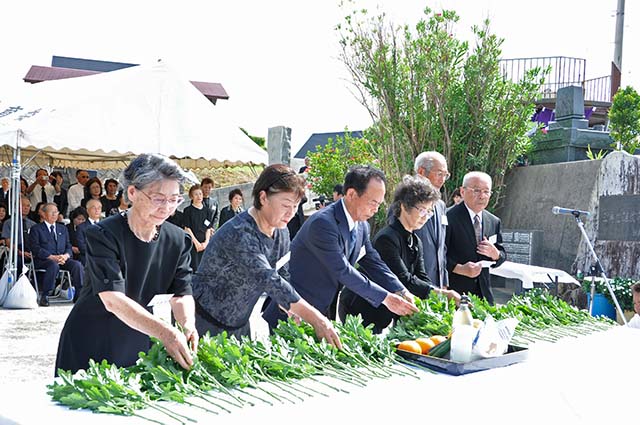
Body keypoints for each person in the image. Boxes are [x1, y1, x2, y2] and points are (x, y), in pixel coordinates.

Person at [55, 153, 198, 375]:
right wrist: (166, 333)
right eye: (159, 199)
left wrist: (187, 324)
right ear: (132, 192)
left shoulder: (178, 239)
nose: (167, 207)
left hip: (141, 334)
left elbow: (182, 292)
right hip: (94, 336)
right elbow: (112, 299)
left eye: (175, 199)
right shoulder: (103, 234)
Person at [191, 164, 341, 348]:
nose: (291, 213)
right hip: (202, 321)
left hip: (239, 324)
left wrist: (287, 305)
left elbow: (283, 274)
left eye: (295, 206)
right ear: (263, 197)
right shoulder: (240, 233)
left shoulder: (282, 231)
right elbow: (269, 279)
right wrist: (318, 320)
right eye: (285, 205)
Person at [263, 165, 419, 328]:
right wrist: (386, 298)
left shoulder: (361, 225)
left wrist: (400, 290)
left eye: (379, 204)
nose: (376, 209)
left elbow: (373, 262)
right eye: (373, 202)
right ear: (351, 194)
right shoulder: (323, 223)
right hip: (291, 309)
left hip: (322, 310)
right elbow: (343, 270)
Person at [339, 176, 461, 333]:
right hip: (360, 308)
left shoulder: (415, 240)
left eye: (429, 212)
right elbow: (404, 280)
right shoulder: (387, 238)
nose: (426, 217)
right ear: (404, 206)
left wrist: (435, 299)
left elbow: (422, 277)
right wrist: (444, 294)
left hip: (387, 310)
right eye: (422, 210)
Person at [445, 171, 506, 305]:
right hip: (455, 292)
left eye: (486, 192)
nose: (482, 196)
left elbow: (502, 254)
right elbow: (437, 256)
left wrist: (496, 254)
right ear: (462, 191)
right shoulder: (447, 218)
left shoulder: (493, 221)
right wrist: (459, 268)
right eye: (477, 190)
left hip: (484, 293)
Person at [408, 151, 452, 291]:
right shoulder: (405, 203)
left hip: (437, 283)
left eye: (445, 174)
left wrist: (444, 280)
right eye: (439, 173)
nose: (443, 179)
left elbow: (442, 246)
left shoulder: (440, 205)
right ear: (421, 172)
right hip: (413, 282)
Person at [28, 203, 84, 306]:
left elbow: (68, 245)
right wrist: (51, 257)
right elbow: (35, 248)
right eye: (52, 212)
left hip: (61, 258)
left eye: (56, 212)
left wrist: (66, 256)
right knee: (52, 265)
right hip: (43, 260)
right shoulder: (36, 229)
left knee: (77, 265)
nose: (55, 214)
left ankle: (79, 294)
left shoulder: (62, 228)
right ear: (44, 214)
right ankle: (45, 295)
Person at [182, 184, 215, 271]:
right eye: (196, 194)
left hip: (205, 244)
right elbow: (187, 228)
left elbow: (208, 228)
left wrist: (206, 242)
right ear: (191, 196)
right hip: (193, 244)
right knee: (194, 268)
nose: (198, 196)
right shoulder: (187, 211)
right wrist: (196, 243)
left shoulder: (207, 211)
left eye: (200, 194)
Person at [1, 197, 36, 274]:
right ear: (16, 206)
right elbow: (8, 242)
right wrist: (20, 252)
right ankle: (18, 283)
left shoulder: (33, 224)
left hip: (30, 250)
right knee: (18, 261)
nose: (26, 208)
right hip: (15, 250)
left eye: (28, 206)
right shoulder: (9, 222)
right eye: (23, 205)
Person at [76, 199, 102, 265]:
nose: (97, 210)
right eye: (94, 208)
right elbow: (81, 247)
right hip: (88, 257)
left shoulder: (107, 224)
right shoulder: (81, 227)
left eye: (99, 208)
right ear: (87, 210)